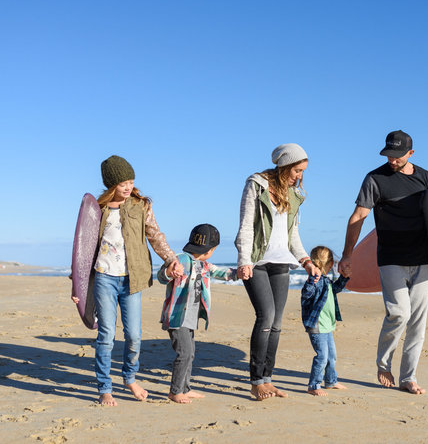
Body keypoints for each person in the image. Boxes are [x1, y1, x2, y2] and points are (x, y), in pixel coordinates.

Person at [338, 131, 428, 395]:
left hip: (422, 258)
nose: (392, 160)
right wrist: (348, 254)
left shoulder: (425, 177)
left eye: (397, 155)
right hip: (391, 258)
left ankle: (408, 377)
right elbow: (358, 216)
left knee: (418, 322)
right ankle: (383, 363)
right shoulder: (375, 178)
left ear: (410, 153)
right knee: (399, 313)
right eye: (388, 154)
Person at [71, 155, 179, 406]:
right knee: (106, 335)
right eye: (122, 183)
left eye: (131, 181)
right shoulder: (97, 209)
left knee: (134, 336)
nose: (128, 186)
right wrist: (75, 285)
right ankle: (104, 387)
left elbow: (155, 236)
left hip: (133, 278)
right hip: (104, 279)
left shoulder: (141, 206)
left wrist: (171, 259)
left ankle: (129, 378)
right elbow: (83, 250)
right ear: (111, 185)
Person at [235, 143, 321, 401]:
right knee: (266, 317)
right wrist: (243, 260)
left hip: (281, 262)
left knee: (277, 324)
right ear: (284, 166)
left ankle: (268, 379)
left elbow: (292, 233)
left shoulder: (293, 195)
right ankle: (256, 381)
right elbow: (246, 225)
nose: (300, 176)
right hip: (257, 261)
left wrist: (306, 261)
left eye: (303, 171)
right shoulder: (256, 185)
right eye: (297, 170)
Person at [158, 223, 237, 404]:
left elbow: (220, 272)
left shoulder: (204, 265)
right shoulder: (181, 259)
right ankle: (175, 391)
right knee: (184, 353)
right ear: (210, 249)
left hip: (191, 317)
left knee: (190, 353)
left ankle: (185, 388)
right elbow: (162, 276)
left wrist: (237, 273)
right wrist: (170, 272)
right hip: (177, 316)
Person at [300, 246, 349, 396]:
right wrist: (311, 282)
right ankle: (314, 385)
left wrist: (344, 278)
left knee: (331, 356)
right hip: (317, 325)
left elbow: (335, 289)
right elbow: (306, 294)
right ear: (326, 263)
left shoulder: (325, 280)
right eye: (331, 262)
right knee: (322, 356)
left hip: (327, 325)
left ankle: (330, 381)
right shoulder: (315, 280)